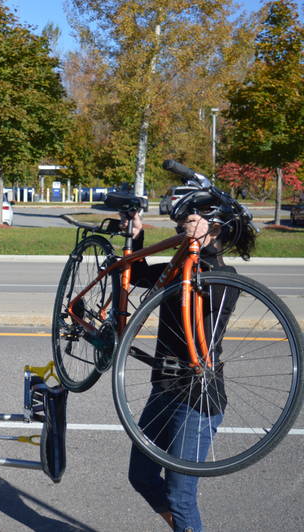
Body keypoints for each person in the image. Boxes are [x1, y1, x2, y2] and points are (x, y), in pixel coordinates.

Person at [119, 207, 252, 532]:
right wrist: (136, 235)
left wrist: (200, 249)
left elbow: (205, 296)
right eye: (181, 223)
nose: (181, 227)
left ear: (217, 229)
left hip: (197, 401)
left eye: (190, 222)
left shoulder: (225, 279)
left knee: (181, 497)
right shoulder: (177, 269)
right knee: (140, 475)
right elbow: (137, 276)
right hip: (162, 390)